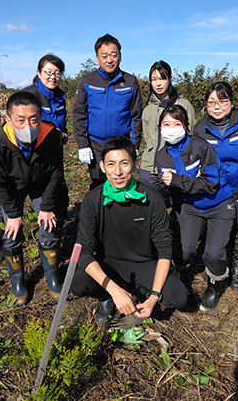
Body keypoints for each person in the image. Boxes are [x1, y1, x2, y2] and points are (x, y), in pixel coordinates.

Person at [71, 136, 188, 325]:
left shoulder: (152, 198)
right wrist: (113, 290)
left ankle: (143, 293)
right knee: (78, 283)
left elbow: (165, 249)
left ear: (135, 164)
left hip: (144, 263)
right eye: (111, 164)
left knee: (179, 296)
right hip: (109, 263)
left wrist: (154, 297)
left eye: (124, 163)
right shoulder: (92, 201)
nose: (117, 172)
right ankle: (107, 297)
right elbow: (83, 252)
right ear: (102, 166)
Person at [0, 91, 68, 304]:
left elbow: (56, 173)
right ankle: (18, 280)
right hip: (13, 187)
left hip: (41, 185)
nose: (28, 126)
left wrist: (47, 206)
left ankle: (52, 277)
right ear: (8, 120)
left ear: (41, 117)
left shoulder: (51, 136)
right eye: (20, 120)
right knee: (11, 231)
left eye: (33, 120)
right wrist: (13, 213)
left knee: (50, 226)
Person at [156, 105, 236, 310]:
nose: (171, 128)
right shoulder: (161, 156)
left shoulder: (202, 147)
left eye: (177, 124)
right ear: (160, 128)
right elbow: (169, 189)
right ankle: (180, 272)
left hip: (219, 203)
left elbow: (211, 183)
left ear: (185, 126)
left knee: (213, 254)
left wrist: (178, 180)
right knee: (185, 250)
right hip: (191, 206)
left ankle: (216, 285)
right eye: (166, 124)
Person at [0, 54, 68, 264]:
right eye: (48, 72)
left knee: (55, 196)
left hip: (46, 151)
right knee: (7, 207)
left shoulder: (60, 96)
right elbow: (13, 125)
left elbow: (62, 122)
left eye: (57, 73)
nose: (53, 76)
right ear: (39, 73)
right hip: (20, 155)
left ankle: (52, 241)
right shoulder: (27, 95)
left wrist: (63, 133)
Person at [194, 81, 238, 291]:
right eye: (211, 102)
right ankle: (217, 268)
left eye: (223, 101)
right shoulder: (201, 128)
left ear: (231, 102)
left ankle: (237, 272)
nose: (217, 106)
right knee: (219, 227)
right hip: (216, 189)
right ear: (205, 105)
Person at [73, 34, 142, 190]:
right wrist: (82, 145)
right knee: (98, 183)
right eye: (104, 56)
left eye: (113, 55)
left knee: (121, 182)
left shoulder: (130, 81)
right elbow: (79, 114)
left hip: (121, 143)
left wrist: (135, 144)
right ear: (97, 59)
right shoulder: (87, 81)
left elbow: (136, 116)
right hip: (96, 144)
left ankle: (122, 213)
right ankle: (99, 213)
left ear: (120, 56)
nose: (109, 59)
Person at [140, 61, 195, 191]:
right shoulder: (148, 109)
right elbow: (148, 138)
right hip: (149, 168)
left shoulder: (183, 105)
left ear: (170, 79)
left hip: (175, 166)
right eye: (154, 79)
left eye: (162, 78)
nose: (158, 83)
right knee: (154, 206)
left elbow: (191, 133)